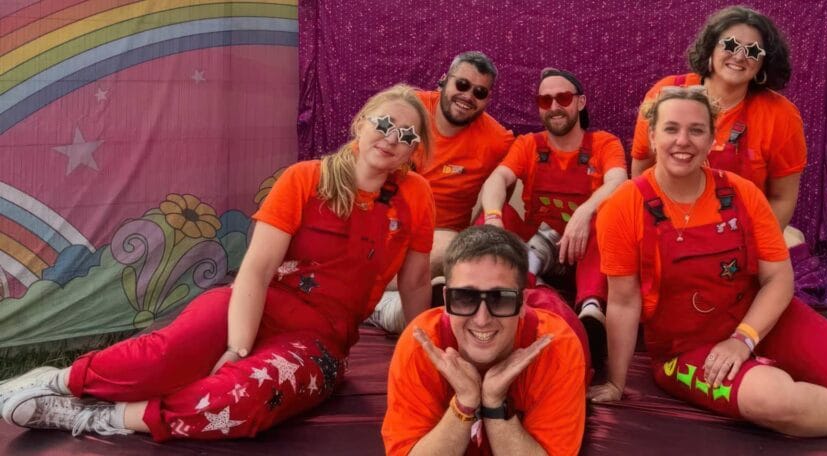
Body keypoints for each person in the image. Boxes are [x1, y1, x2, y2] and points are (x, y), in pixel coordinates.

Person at [0, 84, 436, 440]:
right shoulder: (305, 178)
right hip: (253, 306)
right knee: (163, 358)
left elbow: (416, 283)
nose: (392, 137)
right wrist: (237, 347)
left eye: (408, 135)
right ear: (360, 122)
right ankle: (61, 381)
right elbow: (257, 270)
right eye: (384, 123)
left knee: (241, 399)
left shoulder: (416, 195)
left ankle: (106, 418)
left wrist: (420, 353)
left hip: (319, 343)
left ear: (414, 149)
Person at [589, 86, 827, 436]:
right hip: (685, 350)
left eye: (697, 130)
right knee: (775, 400)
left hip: (758, 320)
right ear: (652, 136)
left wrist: (743, 339)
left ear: (712, 139)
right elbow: (624, 301)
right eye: (671, 129)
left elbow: (778, 280)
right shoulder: (623, 207)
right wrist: (617, 383)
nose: (683, 141)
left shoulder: (741, 193)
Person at [382, 225, 585, 455]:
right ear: (447, 299)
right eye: (465, 297)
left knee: (551, 297)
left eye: (500, 299)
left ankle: (540, 268)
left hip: (554, 313)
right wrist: (464, 403)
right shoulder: (420, 343)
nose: (481, 319)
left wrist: (495, 404)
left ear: (521, 303)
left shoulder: (557, 347)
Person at [479, 68, 627, 351]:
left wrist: (584, 213)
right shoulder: (528, 145)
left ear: (580, 102)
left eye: (563, 98)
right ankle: (501, 292)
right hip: (537, 244)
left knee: (606, 216)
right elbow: (498, 179)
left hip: (587, 252)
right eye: (546, 101)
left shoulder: (604, 143)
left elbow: (619, 182)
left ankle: (591, 312)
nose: (555, 107)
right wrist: (495, 219)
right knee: (489, 217)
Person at [369, 51, 514, 333]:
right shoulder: (410, 112)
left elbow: (514, 176)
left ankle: (383, 303)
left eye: (480, 92)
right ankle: (389, 302)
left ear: (488, 99)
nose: (468, 96)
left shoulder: (497, 140)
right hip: (379, 228)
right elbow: (363, 157)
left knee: (457, 248)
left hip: (437, 241)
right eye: (461, 85)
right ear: (443, 81)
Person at [630, 6, 804, 232]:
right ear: (711, 47)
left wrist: (758, 248)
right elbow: (641, 169)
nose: (740, 56)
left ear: (764, 63)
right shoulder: (666, 92)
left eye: (752, 51)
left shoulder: (781, 115)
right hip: (665, 226)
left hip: (738, 236)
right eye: (730, 45)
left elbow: (782, 198)